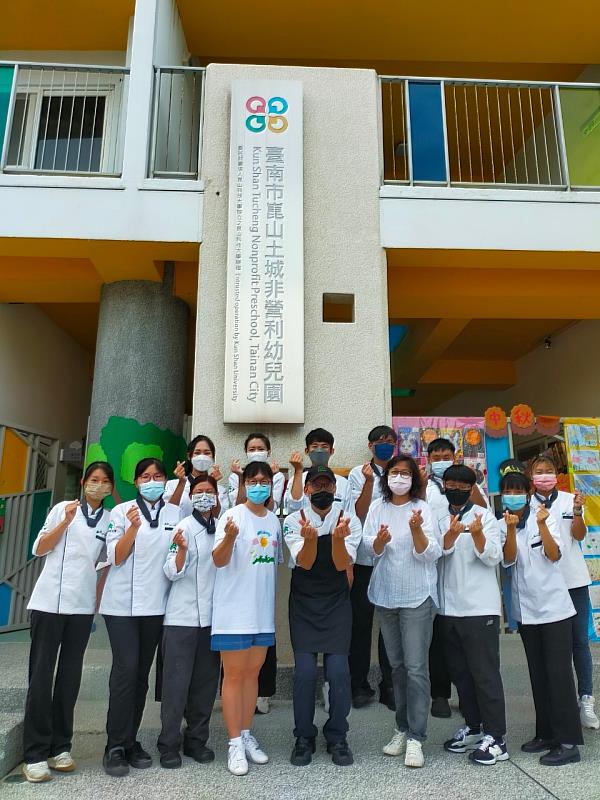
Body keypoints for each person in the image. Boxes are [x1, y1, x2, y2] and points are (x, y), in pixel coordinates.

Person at [21, 462, 115, 783]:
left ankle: (60, 746)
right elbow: (39, 547)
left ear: (110, 487)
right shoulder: (64, 508)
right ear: (84, 482)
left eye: (105, 482)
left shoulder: (108, 520)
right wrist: (65, 524)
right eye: (93, 480)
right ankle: (34, 753)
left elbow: (106, 560)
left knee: (69, 679)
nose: (98, 485)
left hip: (81, 608)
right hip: (49, 604)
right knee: (42, 677)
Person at [100, 458, 182, 777]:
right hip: (120, 606)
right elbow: (116, 557)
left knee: (140, 676)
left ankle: (130, 740)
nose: (152, 481)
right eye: (145, 477)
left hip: (156, 607)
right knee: (125, 670)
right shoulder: (120, 513)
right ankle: (115, 746)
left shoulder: (175, 515)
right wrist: (133, 527)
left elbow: (177, 556)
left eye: (157, 476)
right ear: (136, 483)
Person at [362, 454, 441, 769]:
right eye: (394, 472)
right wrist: (379, 542)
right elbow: (368, 548)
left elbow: (433, 552)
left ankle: (416, 738)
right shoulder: (378, 507)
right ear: (386, 476)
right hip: (387, 595)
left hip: (418, 596)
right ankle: (402, 727)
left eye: (405, 473)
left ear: (414, 478)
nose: (399, 478)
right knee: (396, 667)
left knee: (416, 668)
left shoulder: (422, 508)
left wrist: (418, 531)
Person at [500, 470, 583, 766]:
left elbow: (554, 554)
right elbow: (508, 560)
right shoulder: (503, 523)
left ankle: (569, 742)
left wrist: (541, 525)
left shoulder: (544, 516)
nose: (512, 495)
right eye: (507, 490)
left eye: (517, 490)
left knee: (559, 675)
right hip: (526, 612)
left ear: (527, 493)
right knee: (538, 675)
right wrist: (510, 530)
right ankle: (546, 733)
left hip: (554, 610)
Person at [283, 466, 362, 767]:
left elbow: (343, 563)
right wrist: (312, 539)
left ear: (334, 490)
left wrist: (339, 539)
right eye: (316, 484)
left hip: (336, 603)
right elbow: (304, 562)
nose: (322, 490)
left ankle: (337, 735)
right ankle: (304, 736)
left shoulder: (348, 519)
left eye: (327, 485)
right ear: (306, 490)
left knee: (339, 672)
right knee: (303, 674)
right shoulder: (294, 520)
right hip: (304, 604)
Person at [435, 465, 508, 765]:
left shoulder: (485, 515)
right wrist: (449, 537)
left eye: (462, 484)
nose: (454, 487)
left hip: (479, 609)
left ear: (470, 487)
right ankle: (475, 727)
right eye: (450, 482)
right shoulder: (439, 517)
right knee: (461, 674)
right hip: (448, 609)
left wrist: (476, 535)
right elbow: (434, 553)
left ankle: (497, 738)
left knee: (484, 674)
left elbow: (493, 556)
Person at [212, 461, 280, 776]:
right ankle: (234, 743)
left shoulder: (273, 521)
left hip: (262, 613)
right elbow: (219, 559)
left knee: (253, 676)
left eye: (264, 481)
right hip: (234, 613)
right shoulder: (232, 516)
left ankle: (247, 732)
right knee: (234, 676)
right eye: (252, 480)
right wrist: (227, 538)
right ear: (244, 484)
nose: (258, 485)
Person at [157, 474, 224, 768]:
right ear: (191, 497)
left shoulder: (224, 528)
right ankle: (169, 743)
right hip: (181, 618)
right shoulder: (183, 526)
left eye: (210, 491)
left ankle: (197, 740)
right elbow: (171, 570)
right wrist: (182, 551)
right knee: (176, 683)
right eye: (199, 491)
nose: (205, 495)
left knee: (205, 685)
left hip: (213, 619)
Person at [529, 455, 599, 730]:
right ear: (531, 476)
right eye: (538, 471)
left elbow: (579, 536)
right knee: (551, 647)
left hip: (573, 581)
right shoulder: (525, 503)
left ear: (557, 474)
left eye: (548, 471)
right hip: (543, 584)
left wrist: (580, 512)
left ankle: (586, 699)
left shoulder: (571, 499)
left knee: (579, 642)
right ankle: (560, 701)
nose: (544, 475)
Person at [424, 437, 489, 719]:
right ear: (428, 459)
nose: (441, 458)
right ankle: (439, 694)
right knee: (438, 641)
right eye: (436, 455)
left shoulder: (469, 485)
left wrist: (466, 485)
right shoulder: (423, 488)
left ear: (455, 456)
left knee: (465, 645)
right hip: (434, 571)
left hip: (466, 574)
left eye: (445, 455)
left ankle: (467, 696)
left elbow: (483, 510)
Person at [228, 432, 283, 715]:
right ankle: (238, 725)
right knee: (238, 659)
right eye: (252, 448)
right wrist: (239, 478)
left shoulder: (277, 485)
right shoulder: (235, 497)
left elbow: (270, 507)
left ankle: (263, 693)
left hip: (263, 582)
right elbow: (238, 507)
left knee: (264, 642)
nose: (257, 451)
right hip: (238, 587)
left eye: (261, 448)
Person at [347, 425, 397, 710]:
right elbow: (359, 513)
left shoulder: (402, 472)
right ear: (370, 446)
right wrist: (368, 483)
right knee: (361, 624)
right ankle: (358, 684)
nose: (385, 445)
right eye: (380, 441)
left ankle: (389, 684)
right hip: (365, 560)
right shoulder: (359, 473)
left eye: (390, 441)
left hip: (392, 559)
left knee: (389, 624)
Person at [285, 428, 354, 514]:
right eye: (315, 446)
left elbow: (350, 516)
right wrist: (298, 471)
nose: (319, 450)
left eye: (324, 446)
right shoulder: (297, 479)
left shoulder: (343, 483)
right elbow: (292, 510)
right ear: (307, 451)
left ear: (332, 451)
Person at [163, 434, 229, 517]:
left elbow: (218, 517)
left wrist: (213, 485)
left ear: (213, 457)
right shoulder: (172, 485)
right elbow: (168, 513)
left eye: (207, 453)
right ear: (189, 456)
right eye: (197, 453)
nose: (202, 456)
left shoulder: (220, 490)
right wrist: (181, 483)